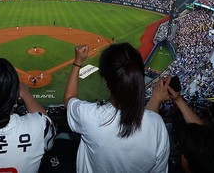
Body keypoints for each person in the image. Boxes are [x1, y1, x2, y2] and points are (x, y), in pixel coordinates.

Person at [64, 43, 170, 173]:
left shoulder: (90, 116)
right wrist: (155, 99)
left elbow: (69, 99)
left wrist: (77, 62)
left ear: (105, 81)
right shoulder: (158, 125)